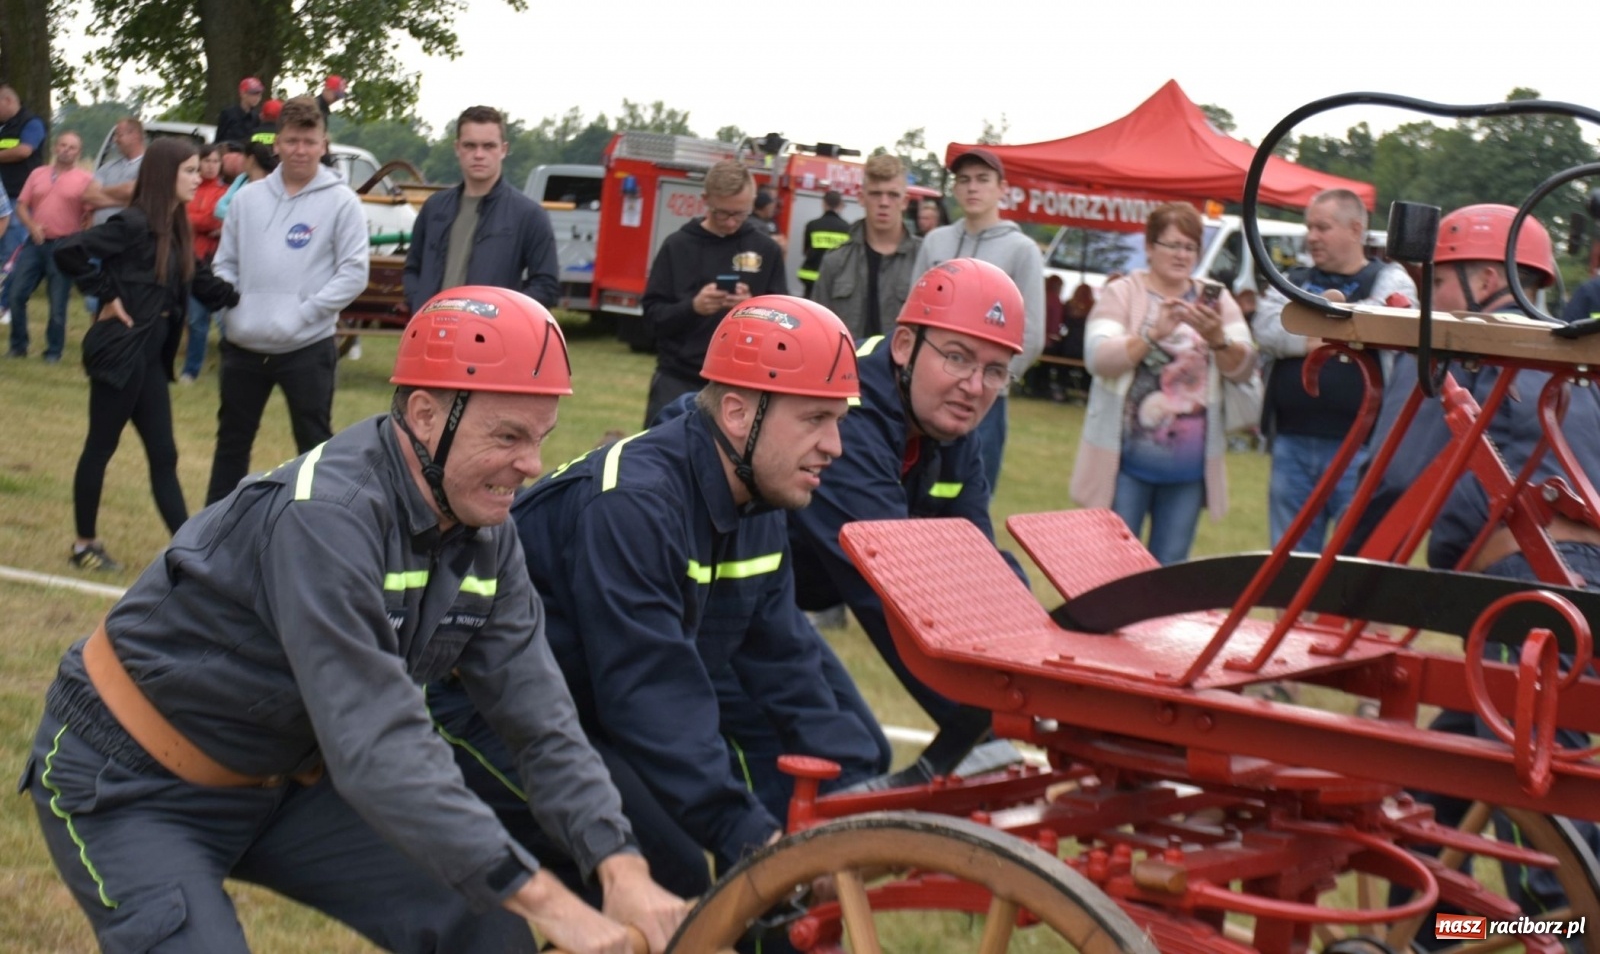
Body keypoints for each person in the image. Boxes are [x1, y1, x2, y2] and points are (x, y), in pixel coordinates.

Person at [25, 285, 687, 953]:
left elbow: (540, 717)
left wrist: (618, 862)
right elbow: (376, 742)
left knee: (484, 927)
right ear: (426, 414)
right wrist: (552, 901)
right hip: (132, 780)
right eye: (509, 436)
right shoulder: (327, 518)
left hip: (287, 781)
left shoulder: (486, 530)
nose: (532, 465)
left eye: (540, 438)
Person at [429, 295, 887, 901]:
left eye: (839, 420)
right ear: (736, 411)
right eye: (814, 420)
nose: (835, 446)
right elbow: (650, 691)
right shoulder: (636, 505)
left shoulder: (761, 500)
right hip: (484, 711)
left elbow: (785, 663)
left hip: (588, 712)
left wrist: (862, 790)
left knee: (690, 857)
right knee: (669, 870)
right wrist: (749, 835)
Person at [1348, 205, 1600, 930]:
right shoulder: (1576, 369)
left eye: (1437, 281)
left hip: (1522, 598)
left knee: (1550, 835)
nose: (1428, 300)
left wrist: (1341, 602)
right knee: (1438, 778)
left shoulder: (1468, 357)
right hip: (1581, 595)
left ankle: (1561, 932)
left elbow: (1394, 479)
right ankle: (1425, 934)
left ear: (1489, 277)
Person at [787, 258, 1027, 768]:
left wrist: (1038, 673)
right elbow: (895, 598)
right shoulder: (847, 414)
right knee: (839, 764)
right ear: (903, 347)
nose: (974, 386)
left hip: (769, 602)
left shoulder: (946, 421)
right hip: (691, 601)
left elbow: (975, 568)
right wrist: (992, 727)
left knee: (859, 756)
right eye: (958, 358)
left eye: (995, 371)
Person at [53, 138, 240, 572]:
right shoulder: (134, 223)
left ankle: (190, 551)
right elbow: (69, 250)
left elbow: (198, 283)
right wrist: (105, 295)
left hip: (151, 359)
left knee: (164, 454)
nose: (200, 178)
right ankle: (84, 545)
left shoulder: (175, 227)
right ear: (165, 175)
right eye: (191, 171)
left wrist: (246, 297)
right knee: (100, 447)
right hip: (121, 353)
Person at [1069, 202, 1258, 565]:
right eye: (1172, 245)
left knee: (1169, 571)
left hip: (1188, 471)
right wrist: (1152, 335)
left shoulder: (1216, 298)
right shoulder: (1123, 292)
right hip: (1124, 464)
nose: (1181, 255)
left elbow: (1244, 367)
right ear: (1150, 247)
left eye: (1189, 247)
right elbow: (1098, 358)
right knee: (1115, 567)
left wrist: (1218, 339)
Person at [206, 97, 368, 506]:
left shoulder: (342, 201)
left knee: (314, 449)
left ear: (324, 144)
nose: (300, 149)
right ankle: (209, 539)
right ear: (276, 144)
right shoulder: (247, 199)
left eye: (309, 141)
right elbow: (225, 263)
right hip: (244, 346)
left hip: (306, 346)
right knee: (230, 445)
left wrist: (302, 314)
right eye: (292, 140)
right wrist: (230, 309)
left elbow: (353, 274)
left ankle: (317, 530)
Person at [1255, 188, 1417, 552]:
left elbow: (1393, 321)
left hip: (1360, 451)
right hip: (1291, 444)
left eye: (1322, 227)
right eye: (1309, 227)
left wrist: (1307, 324)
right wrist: (1332, 336)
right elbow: (1265, 327)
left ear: (1356, 229)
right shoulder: (1292, 279)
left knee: (1350, 563)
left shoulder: (1390, 279)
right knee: (1288, 563)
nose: (1311, 237)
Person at [909, 149, 1044, 494]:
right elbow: (913, 316)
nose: (973, 188)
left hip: (984, 403)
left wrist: (992, 382)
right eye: (964, 180)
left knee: (967, 500)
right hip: (925, 397)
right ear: (954, 189)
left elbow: (1031, 333)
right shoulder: (936, 241)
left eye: (983, 180)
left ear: (1003, 189)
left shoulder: (1022, 250)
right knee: (912, 494)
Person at [640, 159, 788, 426]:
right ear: (705, 200)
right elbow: (651, 320)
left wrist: (751, 309)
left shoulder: (766, 249)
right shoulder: (678, 246)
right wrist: (693, 307)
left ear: (752, 201)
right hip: (679, 378)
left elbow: (786, 322)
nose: (731, 222)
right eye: (722, 213)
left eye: (741, 214)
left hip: (743, 383)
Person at [402, 105, 560, 314]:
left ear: (503, 149)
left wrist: (499, 313)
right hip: (430, 332)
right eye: (470, 145)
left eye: (488, 146)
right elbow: (412, 269)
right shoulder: (434, 208)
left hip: (490, 339)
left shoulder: (528, 215)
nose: (478, 154)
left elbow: (546, 286)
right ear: (457, 148)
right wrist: (420, 304)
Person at [813, 153, 921, 339]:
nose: (884, 203)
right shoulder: (835, 261)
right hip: (847, 365)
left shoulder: (923, 258)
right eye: (876, 194)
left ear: (905, 202)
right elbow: (817, 329)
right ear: (861, 198)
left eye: (893, 195)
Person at [9, 131, 93, 361]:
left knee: (57, 303)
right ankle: (18, 346)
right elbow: (21, 206)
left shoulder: (85, 180)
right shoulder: (37, 173)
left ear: (78, 153)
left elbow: (90, 214)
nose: (66, 150)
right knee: (16, 294)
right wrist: (31, 225)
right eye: (63, 145)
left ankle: (53, 351)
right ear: (55, 148)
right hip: (34, 243)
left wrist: (81, 240)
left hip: (64, 246)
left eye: (72, 147)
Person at [179, 143, 229, 382]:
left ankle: (232, 370)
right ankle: (191, 370)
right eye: (206, 161)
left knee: (223, 321)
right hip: (188, 259)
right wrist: (197, 221)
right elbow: (177, 214)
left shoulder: (224, 192)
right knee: (195, 319)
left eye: (215, 162)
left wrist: (189, 221)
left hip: (213, 262)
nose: (210, 166)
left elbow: (213, 220)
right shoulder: (190, 187)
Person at [0, 83, 48, 321]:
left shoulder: (31, 123)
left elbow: (24, 151)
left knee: (12, 252)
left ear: (8, 101)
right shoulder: (3, 127)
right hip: (1, 195)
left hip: (19, 197)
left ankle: (6, 306)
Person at [85, 118, 147, 227]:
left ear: (135, 136)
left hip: (129, 236)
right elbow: (88, 196)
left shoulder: (150, 165)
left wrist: (101, 191)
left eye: (119, 135)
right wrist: (123, 202)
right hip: (100, 234)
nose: (115, 140)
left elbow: (131, 190)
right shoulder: (107, 167)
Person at [797, 188, 850, 297]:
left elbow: (805, 251)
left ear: (824, 203)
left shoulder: (812, 225)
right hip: (835, 281)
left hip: (811, 278)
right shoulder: (847, 228)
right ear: (840, 205)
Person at [216, 77, 264, 146]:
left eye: (259, 94)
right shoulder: (228, 113)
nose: (257, 98)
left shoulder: (256, 117)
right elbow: (219, 139)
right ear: (243, 93)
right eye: (254, 93)